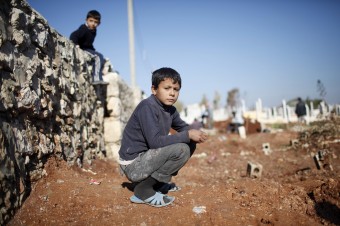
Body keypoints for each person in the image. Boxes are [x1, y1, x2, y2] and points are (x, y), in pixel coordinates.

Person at [118, 67, 208, 207]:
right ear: (154, 90)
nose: (172, 93)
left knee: (190, 143)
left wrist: (195, 133)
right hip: (133, 165)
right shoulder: (147, 107)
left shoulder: (170, 110)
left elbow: (183, 128)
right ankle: (143, 188)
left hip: (147, 160)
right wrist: (187, 134)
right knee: (181, 148)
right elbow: (155, 142)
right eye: (167, 88)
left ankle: (157, 184)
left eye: (176, 89)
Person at [70, 10, 108, 85]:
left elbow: (88, 43)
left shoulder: (93, 31)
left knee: (101, 57)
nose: (93, 24)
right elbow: (73, 35)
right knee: (98, 57)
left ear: (99, 24)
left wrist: (93, 50)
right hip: (83, 49)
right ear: (86, 20)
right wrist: (76, 45)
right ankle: (96, 79)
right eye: (91, 21)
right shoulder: (83, 29)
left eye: (96, 22)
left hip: (88, 48)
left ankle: (99, 76)